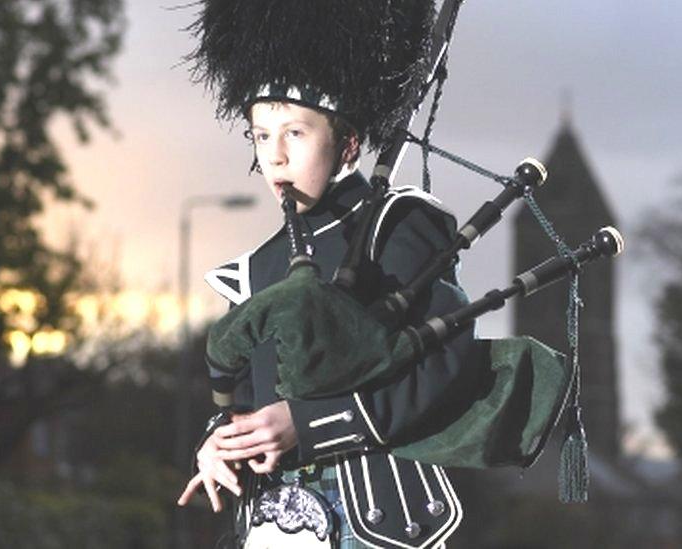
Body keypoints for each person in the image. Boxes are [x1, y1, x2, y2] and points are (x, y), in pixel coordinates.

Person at [177, 93, 480, 547]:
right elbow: (244, 401)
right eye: (261, 136)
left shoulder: (398, 223)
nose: (274, 157)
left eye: (294, 133)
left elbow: (442, 367)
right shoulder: (259, 266)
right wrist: (221, 443)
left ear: (349, 144)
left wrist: (306, 422)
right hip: (270, 529)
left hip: (378, 527)